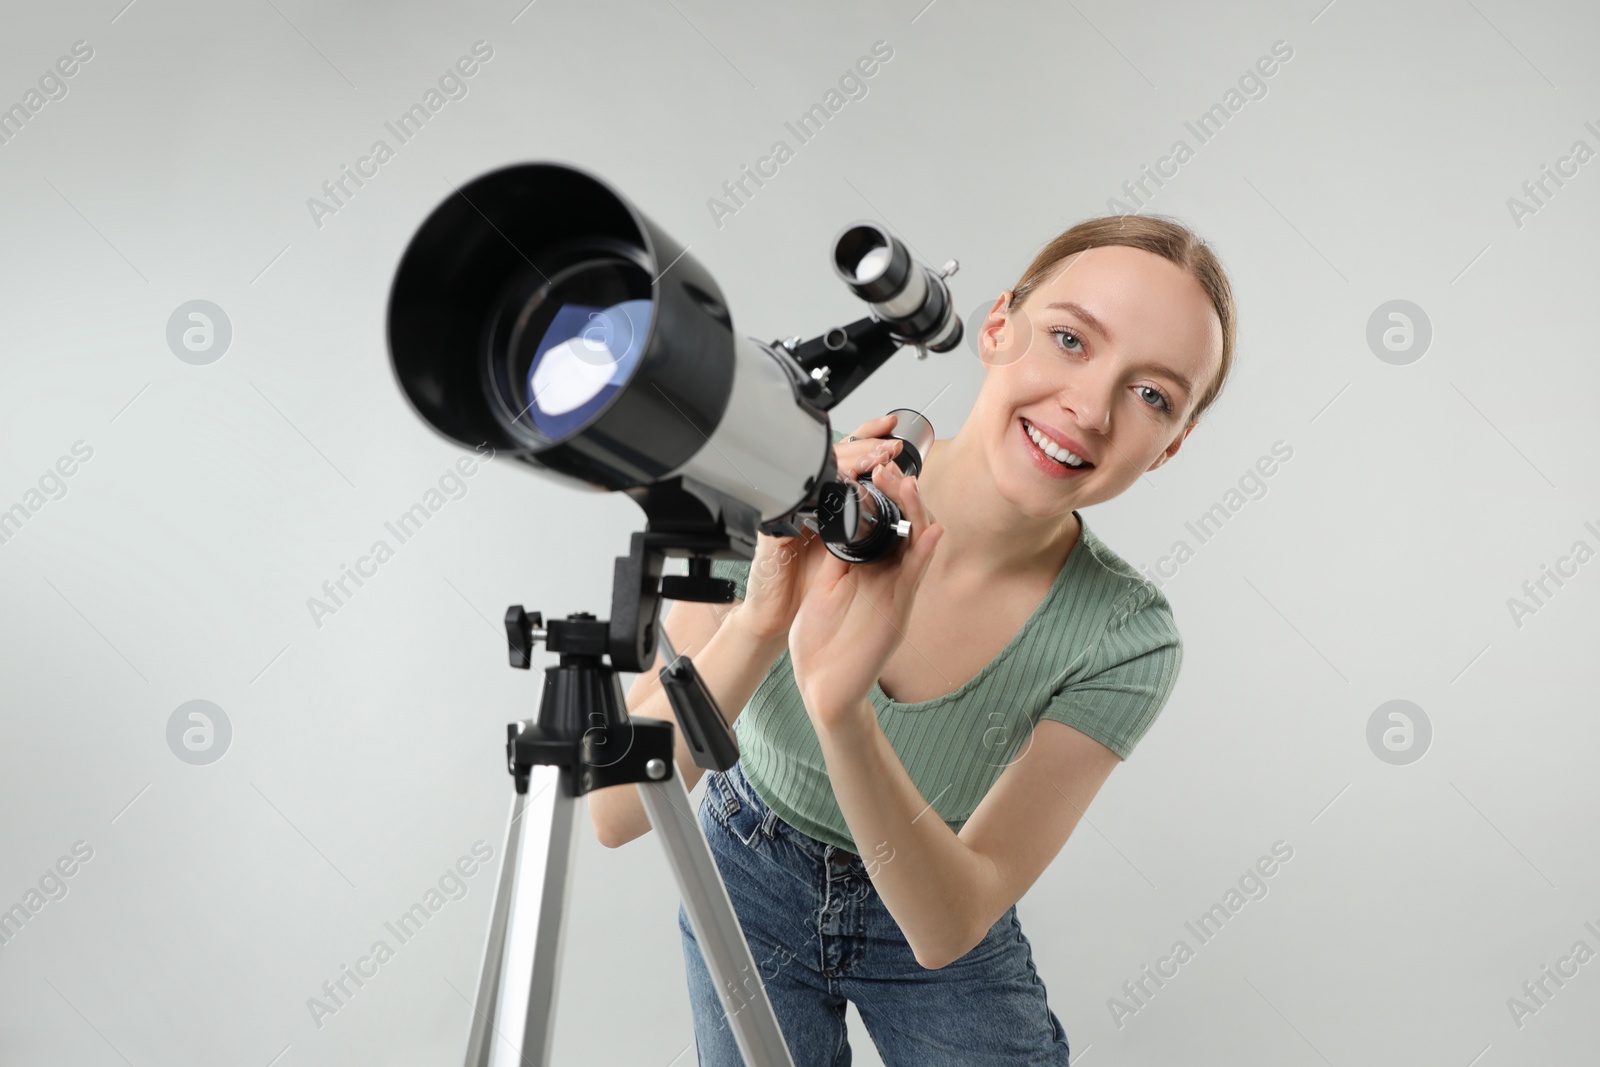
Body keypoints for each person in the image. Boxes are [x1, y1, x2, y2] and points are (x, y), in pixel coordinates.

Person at [589, 213, 1236, 1066]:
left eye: (1152, 394)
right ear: (997, 328)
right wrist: (759, 619)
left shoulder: (1126, 637)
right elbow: (615, 809)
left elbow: (945, 926)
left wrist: (841, 709)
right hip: (745, 869)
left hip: (931, 889)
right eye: (1071, 339)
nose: (1089, 407)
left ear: (1171, 446)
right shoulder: (793, 468)